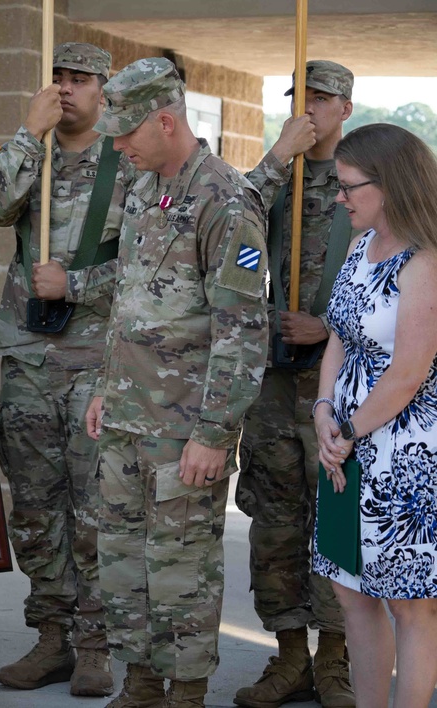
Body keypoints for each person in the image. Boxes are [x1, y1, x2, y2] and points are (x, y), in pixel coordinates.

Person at [86, 57, 269, 706]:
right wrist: (107, 384)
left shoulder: (225, 200)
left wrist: (216, 434)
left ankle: (185, 694)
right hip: (127, 422)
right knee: (123, 566)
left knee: (181, 574)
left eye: (127, 132)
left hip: (185, 432)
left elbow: (244, 332)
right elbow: (129, 301)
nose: (117, 144)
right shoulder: (142, 190)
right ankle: (140, 686)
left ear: (166, 121)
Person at [0, 42, 130, 696]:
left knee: (94, 503)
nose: (67, 89)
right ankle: (50, 637)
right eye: (58, 78)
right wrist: (27, 132)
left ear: (104, 90)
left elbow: (158, 265)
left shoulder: (129, 162)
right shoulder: (28, 152)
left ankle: (96, 642)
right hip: (29, 357)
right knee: (35, 505)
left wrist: (79, 284)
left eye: (81, 80)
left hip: (97, 358)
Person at [235, 60, 356, 708]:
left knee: (337, 521)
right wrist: (281, 156)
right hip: (276, 386)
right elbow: (230, 223)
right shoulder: (278, 173)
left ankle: (336, 661)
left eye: (323, 97)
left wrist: (329, 327)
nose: (309, 107)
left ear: (347, 108)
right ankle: (287, 658)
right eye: (300, 97)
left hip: (343, 386)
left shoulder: (371, 181)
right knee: (275, 524)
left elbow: (407, 291)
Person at [312, 123, 437, 708]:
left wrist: (347, 432)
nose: (339, 197)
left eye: (347, 186)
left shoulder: (427, 261)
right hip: (344, 443)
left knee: (410, 603)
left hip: (405, 453)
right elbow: (339, 337)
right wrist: (322, 411)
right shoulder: (361, 247)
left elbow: (409, 370)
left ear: (387, 185)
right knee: (350, 591)